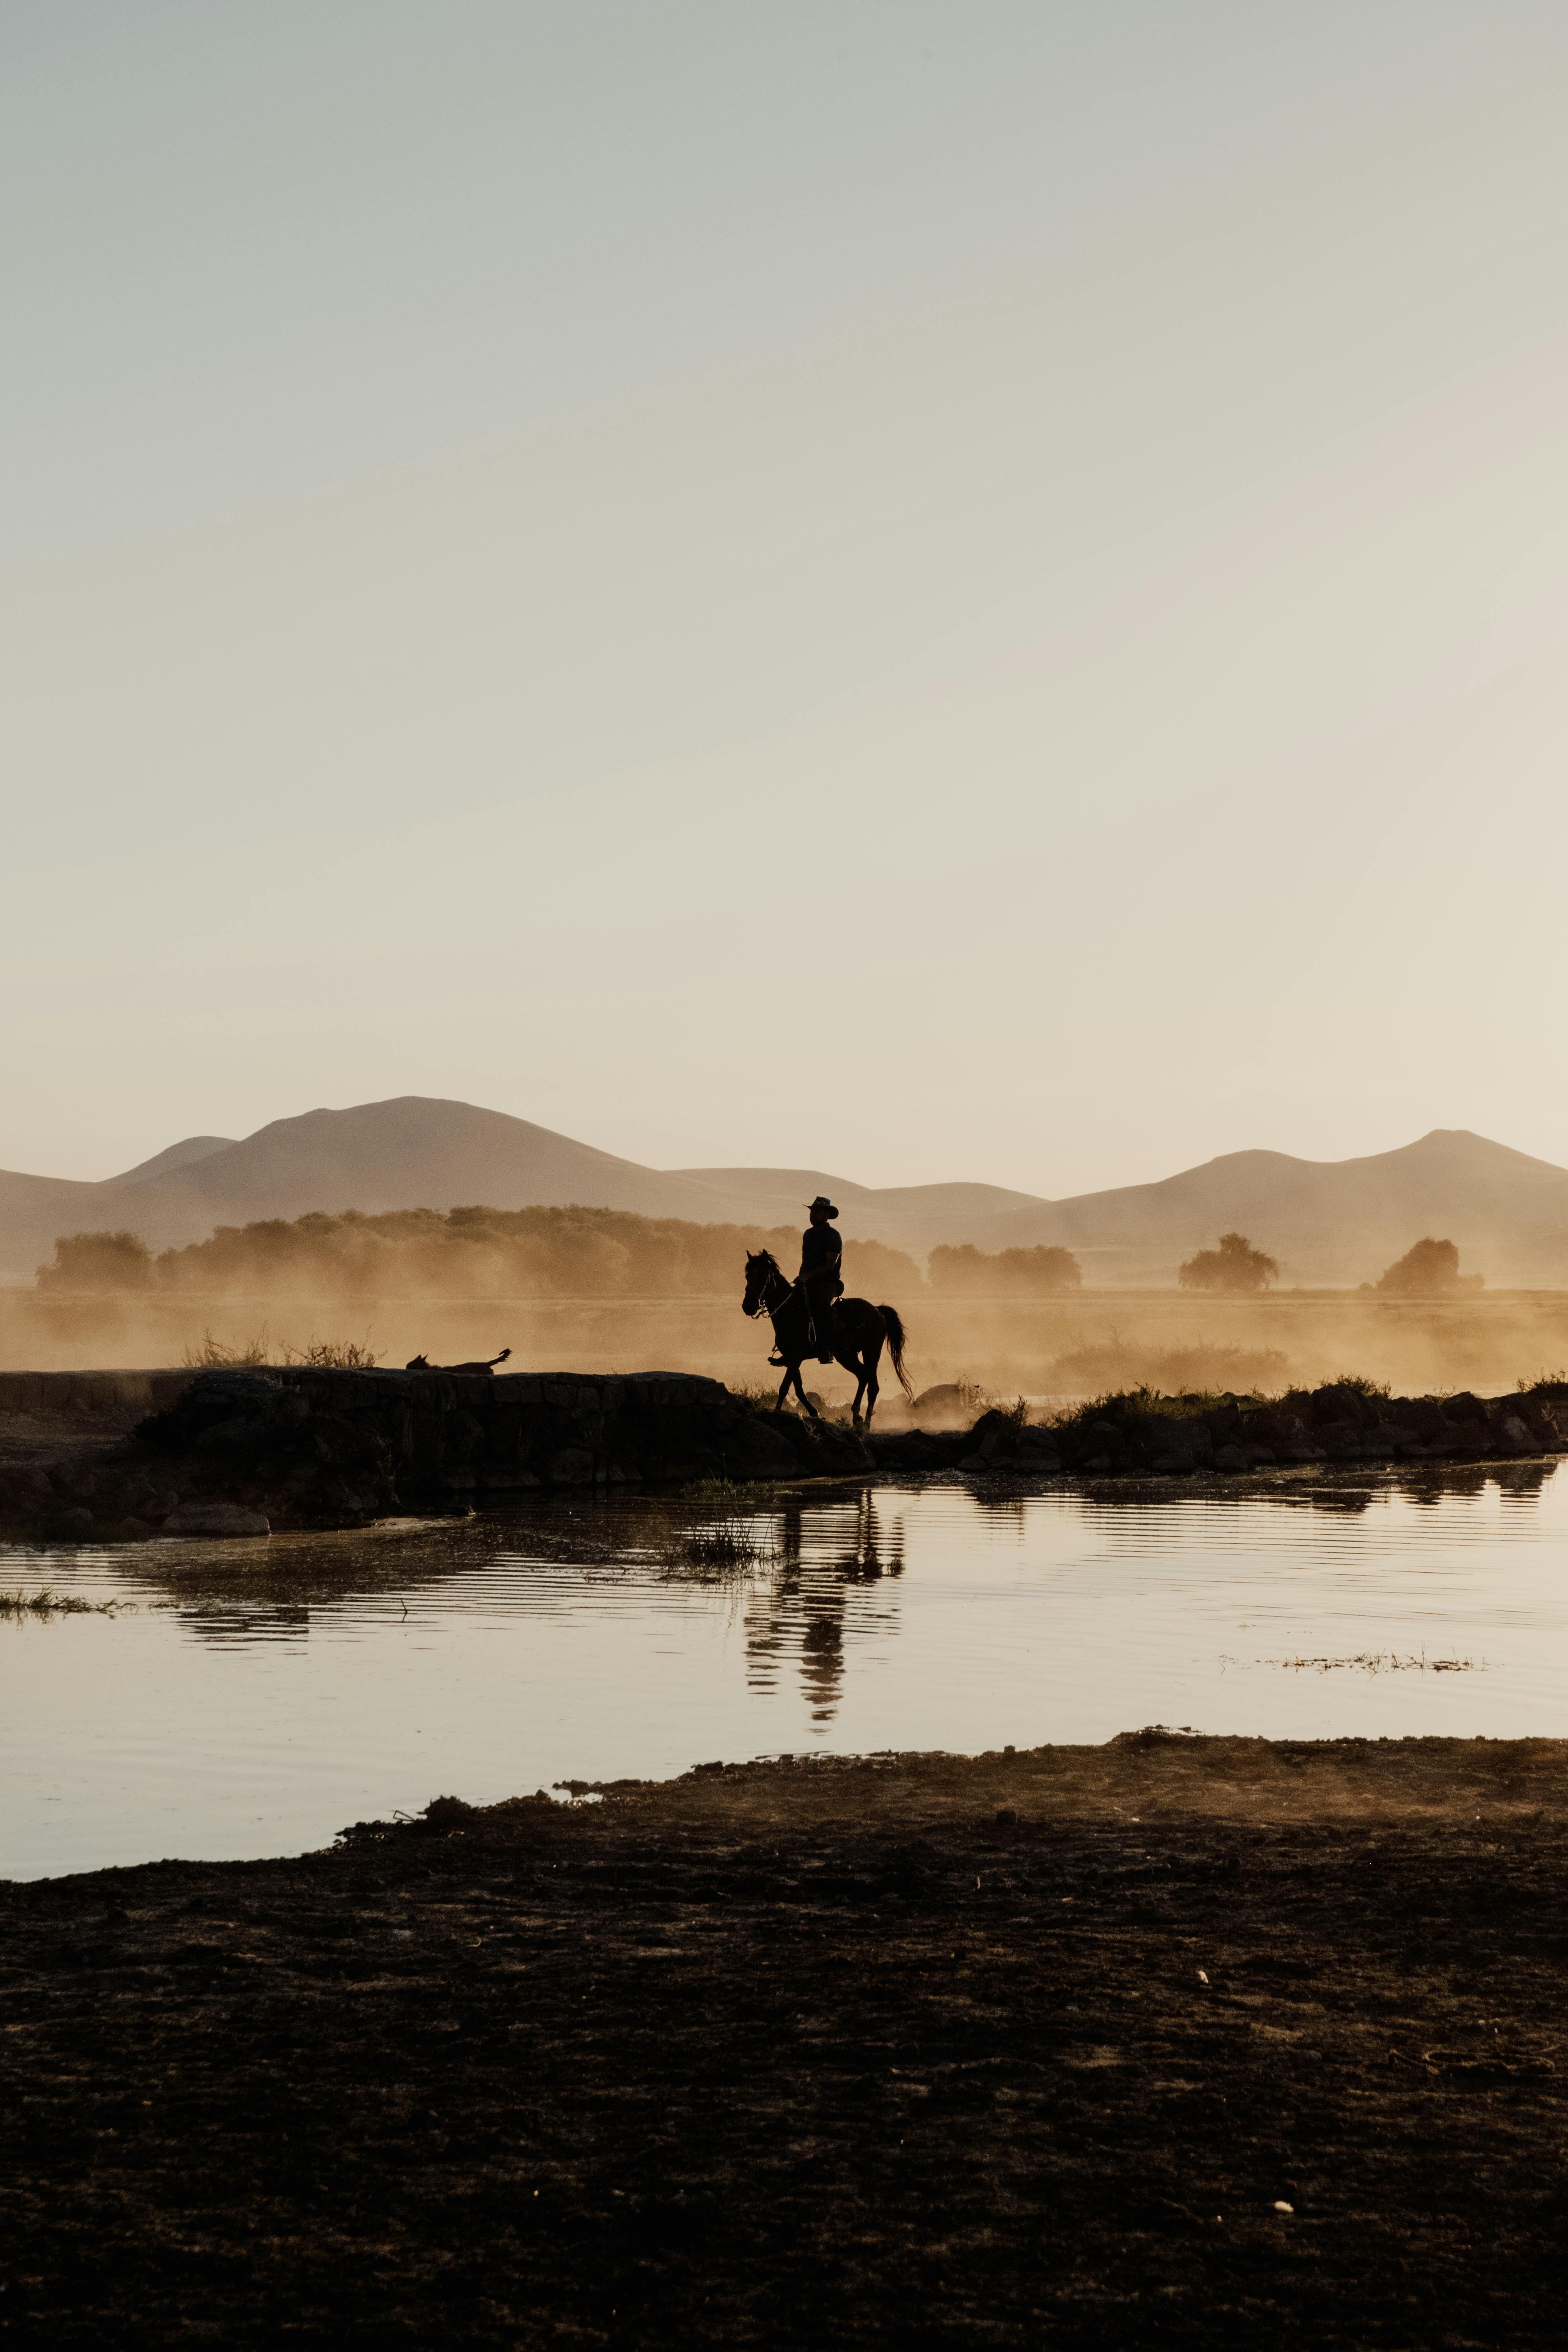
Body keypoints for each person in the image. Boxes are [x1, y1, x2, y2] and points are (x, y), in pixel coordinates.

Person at [798, 1195, 843, 1363]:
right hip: (808, 1282)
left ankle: (827, 1349)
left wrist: (807, 1276)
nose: (813, 1215)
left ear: (827, 1215)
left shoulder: (833, 1236)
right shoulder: (808, 1235)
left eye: (817, 1212)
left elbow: (830, 1265)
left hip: (828, 1283)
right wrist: (801, 1277)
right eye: (812, 1211)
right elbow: (806, 1261)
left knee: (822, 1306)